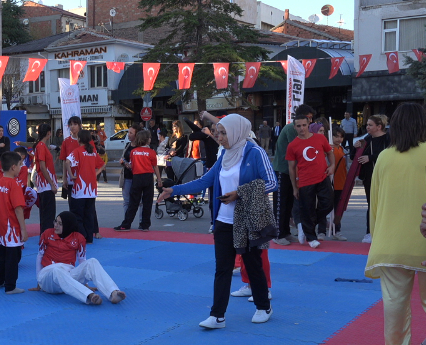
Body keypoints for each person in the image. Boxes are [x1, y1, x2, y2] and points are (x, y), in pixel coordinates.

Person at [159, 114, 277, 328]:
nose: (219, 137)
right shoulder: (224, 155)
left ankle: (263, 306)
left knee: (253, 266)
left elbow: (271, 183)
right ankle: (217, 315)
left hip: (247, 219)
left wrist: (239, 193)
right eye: (218, 133)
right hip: (223, 220)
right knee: (222, 269)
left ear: (236, 131)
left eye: (223, 133)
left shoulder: (255, 152)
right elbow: (205, 180)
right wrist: (174, 190)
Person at [365, 103, 426, 345]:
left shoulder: (385, 157)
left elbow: (375, 203)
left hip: (390, 241)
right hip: (425, 241)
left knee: (394, 302)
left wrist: (377, 236)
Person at [29, 211, 126, 305]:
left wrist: (85, 282)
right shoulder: (47, 234)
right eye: (55, 222)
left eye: (60, 223)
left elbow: (82, 260)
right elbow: (40, 255)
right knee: (57, 270)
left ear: (68, 225)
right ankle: (89, 296)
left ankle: (113, 293)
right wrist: (39, 280)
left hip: (69, 274)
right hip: (49, 277)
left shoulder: (79, 238)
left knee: (92, 261)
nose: (56, 225)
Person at [286, 117, 335, 249]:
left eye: (304, 125)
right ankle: (311, 237)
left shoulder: (320, 138)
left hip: (322, 177)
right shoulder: (292, 145)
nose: (302, 128)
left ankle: (307, 224)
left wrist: (332, 166)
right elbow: (291, 168)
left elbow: (330, 153)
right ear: (294, 127)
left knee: (328, 203)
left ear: (308, 125)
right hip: (305, 182)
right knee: (307, 209)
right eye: (298, 126)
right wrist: (295, 187)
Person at [272, 104, 315, 246]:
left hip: (292, 171)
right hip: (282, 169)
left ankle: (285, 232)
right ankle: (277, 234)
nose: (308, 123)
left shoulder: (298, 129)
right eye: (309, 118)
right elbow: (298, 149)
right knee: (280, 203)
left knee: (289, 203)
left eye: (309, 120)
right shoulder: (291, 129)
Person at [114, 130, 162, 232]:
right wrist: (159, 179)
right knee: (147, 202)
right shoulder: (152, 152)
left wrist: (125, 164)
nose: (150, 139)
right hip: (148, 177)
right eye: (149, 138)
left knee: (133, 202)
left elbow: (132, 166)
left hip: (137, 177)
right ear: (146, 140)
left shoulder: (133, 152)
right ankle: (145, 225)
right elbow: (155, 167)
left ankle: (126, 224)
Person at [0, 152, 27, 294]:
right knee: (13, 257)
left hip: (1, 224)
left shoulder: (0, 181)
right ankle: (10, 286)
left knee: (4, 255)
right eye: (20, 165)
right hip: (11, 226)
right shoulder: (13, 184)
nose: (21, 167)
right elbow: (18, 209)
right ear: (13, 167)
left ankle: (0, 281)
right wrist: (23, 230)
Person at [356, 114, 390, 244]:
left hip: (385, 175)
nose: (367, 127)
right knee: (371, 203)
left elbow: (389, 153)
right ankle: (369, 232)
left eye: (370, 125)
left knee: (385, 203)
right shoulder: (366, 139)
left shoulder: (388, 138)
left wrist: (370, 157)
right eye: (367, 125)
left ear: (379, 126)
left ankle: (385, 231)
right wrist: (356, 147)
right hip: (369, 176)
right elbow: (356, 157)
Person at [66, 129, 105, 243]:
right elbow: (102, 165)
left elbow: (67, 162)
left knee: (77, 214)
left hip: (80, 188)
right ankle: (89, 237)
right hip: (91, 188)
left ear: (79, 139)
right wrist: (95, 174)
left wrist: (71, 174)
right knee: (89, 214)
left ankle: (82, 236)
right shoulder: (92, 152)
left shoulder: (77, 151)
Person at [34, 123, 57, 232]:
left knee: (45, 213)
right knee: (48, 213)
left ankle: (45, 235)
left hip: (44, 182)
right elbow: (43, 167)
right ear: (48, 133)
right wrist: (52, 184)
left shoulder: (40, 146)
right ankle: (47, 235)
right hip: (46, 183)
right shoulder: (41, 146)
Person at [328, 129, 349, 241]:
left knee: (338, 209)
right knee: (325, 207)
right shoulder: (328, 149)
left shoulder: (343, 149)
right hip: (330, 182)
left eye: (341, 137)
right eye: (336, 136)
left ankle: (337, 230)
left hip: (341, 183)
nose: (339, 139)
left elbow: (346, 167)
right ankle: (322, 229)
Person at [119, 124, 142, 213]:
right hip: (127, 176)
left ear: (136, 135)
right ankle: (126, 222)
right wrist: (123, 161)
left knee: (140, 201)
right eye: (128, 132)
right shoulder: (128, 145)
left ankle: (142, 223)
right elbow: (123, 157)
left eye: (131, 133)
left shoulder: (141, 147)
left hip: (138, 177)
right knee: (126, 201)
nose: (128, 134)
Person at [60, 117, 81, 205]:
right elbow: (64, 160)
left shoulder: (87, 141)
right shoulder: (66, 141)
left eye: (75, 124)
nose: (73, 127)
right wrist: (64, 178)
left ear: (80, 126)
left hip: (83, 177)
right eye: (71, 124)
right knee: (72, 204)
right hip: (71, 177)